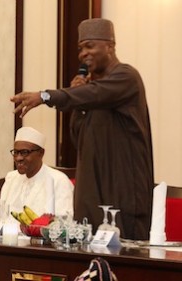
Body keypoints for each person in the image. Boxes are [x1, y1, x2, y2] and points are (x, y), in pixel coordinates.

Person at [10, 18, 153, 240]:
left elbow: (95, 94)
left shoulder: (126, 77)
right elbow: (79, 138)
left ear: (110, 46)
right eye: (80, 48)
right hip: (91, 189)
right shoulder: (91, 92)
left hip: (121, 189)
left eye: (89, 46)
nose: (83, 54)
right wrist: (77, 106)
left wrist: (45, 96)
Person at [0, 127, 74, 218]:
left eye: (24, 152)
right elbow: (0, 215)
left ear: (41, 153)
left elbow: (64, 222)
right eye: (16, 152)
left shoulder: (58, 180)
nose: (18, 158)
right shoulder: (11, 178)